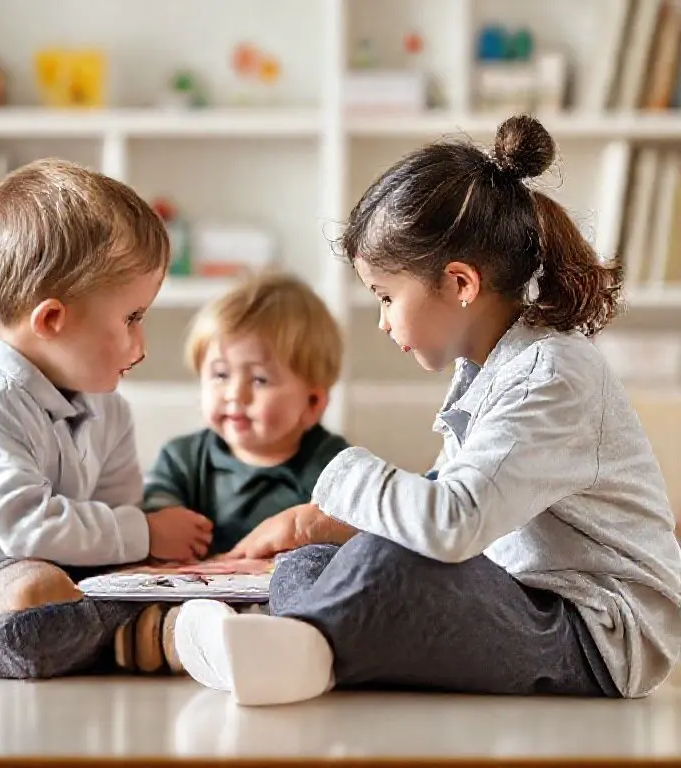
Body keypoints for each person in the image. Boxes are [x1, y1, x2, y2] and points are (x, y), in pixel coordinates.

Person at [171, 115, 681, 705]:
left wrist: (336, 473)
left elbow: (450, 523)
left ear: (460, 283)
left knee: (389, 562)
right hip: (524, 599)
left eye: (388, 297)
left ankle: (302, 647)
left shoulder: (553, 376)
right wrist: (315, 524)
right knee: (311, 559)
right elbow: (444, 503)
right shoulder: (487, 372)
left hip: (597, 633)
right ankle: (305, 648)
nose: (384, 320)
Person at [0, 158, 205, 679]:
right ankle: (131, 636)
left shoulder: (107, 404)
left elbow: (114, 518)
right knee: (34, 591)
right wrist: (146, 532)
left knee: (108, 585)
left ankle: (138, 630)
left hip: (64, 577)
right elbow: (32, 528)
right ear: (51, 320)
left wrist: (149, 559)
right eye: (131, 319)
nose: (141, 344)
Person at [113, 271, 350, 673]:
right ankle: (169, 638)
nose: (235, 395)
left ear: (312, 402)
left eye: (259, 379)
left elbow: (350, 527)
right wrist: (166, 521)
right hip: (196, 594)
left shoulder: (332, 462)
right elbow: (157, 504)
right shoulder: (184, 457)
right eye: (220, 374)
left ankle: (255, 648)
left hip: (280, 600)